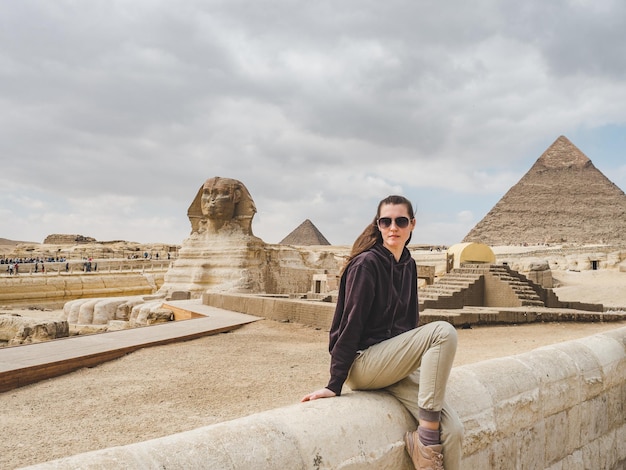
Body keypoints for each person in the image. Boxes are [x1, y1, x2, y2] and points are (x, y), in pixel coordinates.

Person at [301, 195, 463, 470]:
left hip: (392, 364)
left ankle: (427, 442)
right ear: (378, 225)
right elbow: (350, 325)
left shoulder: (408, 264)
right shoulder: (367, 264)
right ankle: (424, 439)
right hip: (362, 363)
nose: (393, 227)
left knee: (453, 431)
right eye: (385, 221)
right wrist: (334, 383)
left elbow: (410, 324)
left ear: (412, 224)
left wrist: (420, 372)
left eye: (400, 221)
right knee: (443, 332)